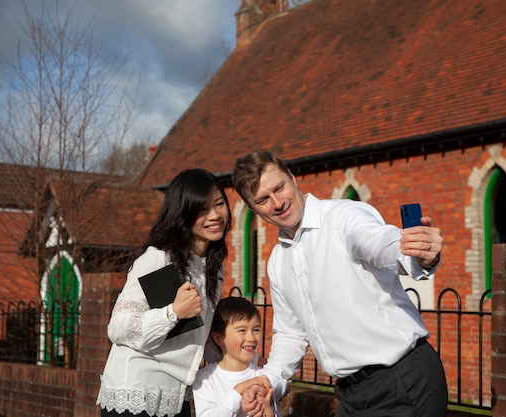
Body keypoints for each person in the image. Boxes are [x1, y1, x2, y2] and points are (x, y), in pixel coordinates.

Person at [231, 149, 448, 417]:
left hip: (402, 381)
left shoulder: (344, 217)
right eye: (263, 199)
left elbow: (378, 242)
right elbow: (290, 334)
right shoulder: (277, 261)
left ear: (292, 178)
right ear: (252, 208)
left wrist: (414, 252)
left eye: (279, 187)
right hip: (350, 394)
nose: (277, 203)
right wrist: (269, 381)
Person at [97, 168, 232, 417]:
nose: (215, 215)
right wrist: (173, 313)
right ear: (183, 213)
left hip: (176, 395)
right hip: (136, 393)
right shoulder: (158, 259)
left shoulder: (214, 266)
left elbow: (197, 339)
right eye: (202, 209)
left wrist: (243, 363)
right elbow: (117, 327)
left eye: (219, 204)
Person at [192, 297, 278, 417]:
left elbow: (273, 412)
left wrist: (269, 413)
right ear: (218, 338)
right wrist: (238, 390)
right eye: (242, 330)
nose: (251, 338)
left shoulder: (262, 376)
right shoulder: (204, 379)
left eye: (256, 330)